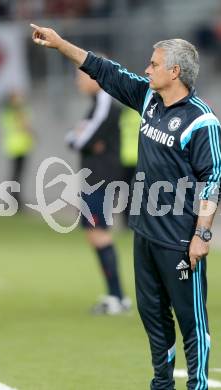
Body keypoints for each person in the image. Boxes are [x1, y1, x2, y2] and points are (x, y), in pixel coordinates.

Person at [31, 23, 221, 390]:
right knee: (153, 316)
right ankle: (161, 384)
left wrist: (201, 234)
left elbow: (213, 179)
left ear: (175, 72)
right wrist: (59, 45)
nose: (147, 69)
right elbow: (103, 69)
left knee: (191, 321)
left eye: (154, 64)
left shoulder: (201, 121)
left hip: (179, 240)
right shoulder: (148, 99)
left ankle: (197, 386)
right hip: (145, 232)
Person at [65, 69, 131, 315]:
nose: (77, 81)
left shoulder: (105, 104)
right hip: (93, 176)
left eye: (81, 76)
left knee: (99, 233)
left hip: (100, 177)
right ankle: (116, 295)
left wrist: (81, 137)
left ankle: (117, 297)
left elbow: (78, 140)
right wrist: (80, 137)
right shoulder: (95, 104)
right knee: (94, 233)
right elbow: (75, 136)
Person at [0, 91, 35, 209]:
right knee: (16, 175)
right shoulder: (13, 112)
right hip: (16, 147)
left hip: (21, 147)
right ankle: (14, 200)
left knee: (17, 175)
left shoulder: (16, 111)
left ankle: (14, 199)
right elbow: (24, 126)